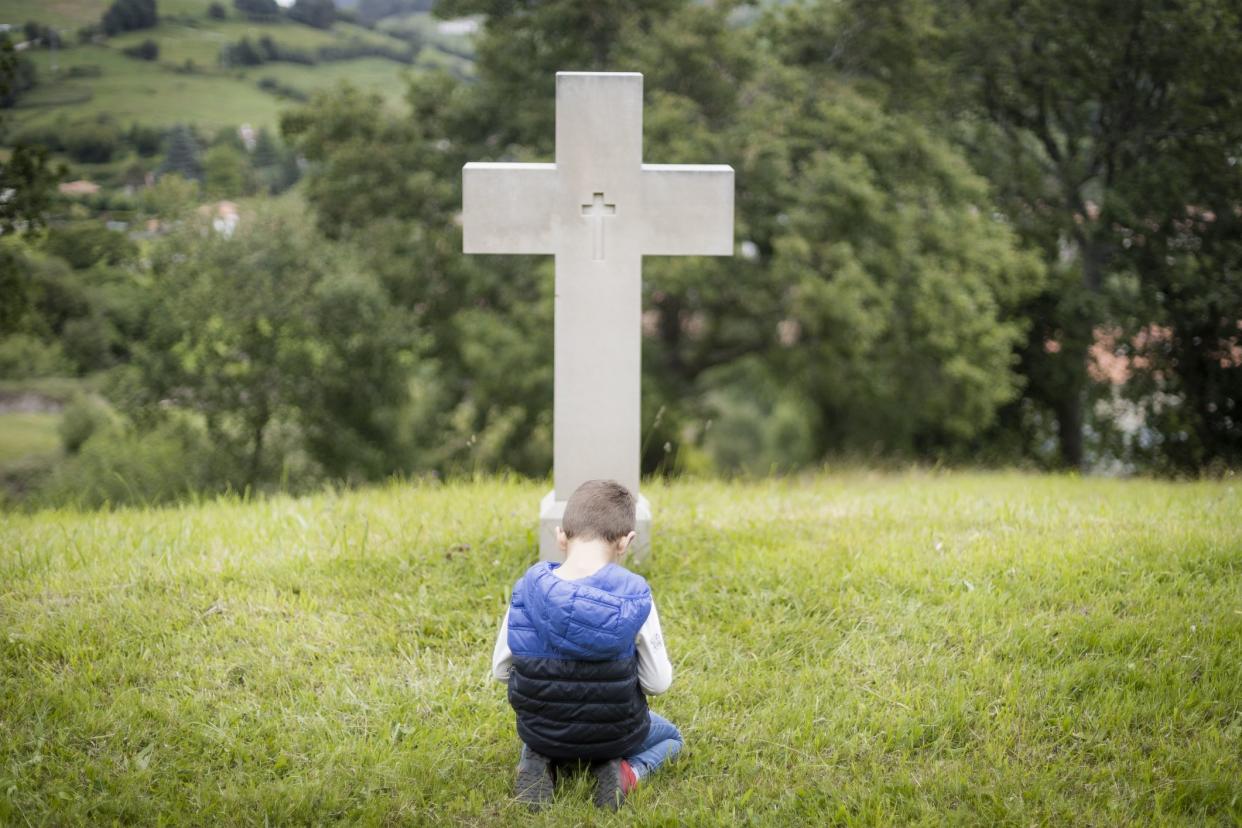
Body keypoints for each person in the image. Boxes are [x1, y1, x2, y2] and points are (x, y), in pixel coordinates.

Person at [491, 479, 681, 811]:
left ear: (560, 535)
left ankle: (538, 758)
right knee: (671, 738)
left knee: (543, 733)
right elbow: (657, 683)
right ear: (626, 542)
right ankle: (625, 769)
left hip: (542, 728)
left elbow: (501, 671)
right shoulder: (635, 596)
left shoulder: (526, 589)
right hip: (616, 733)